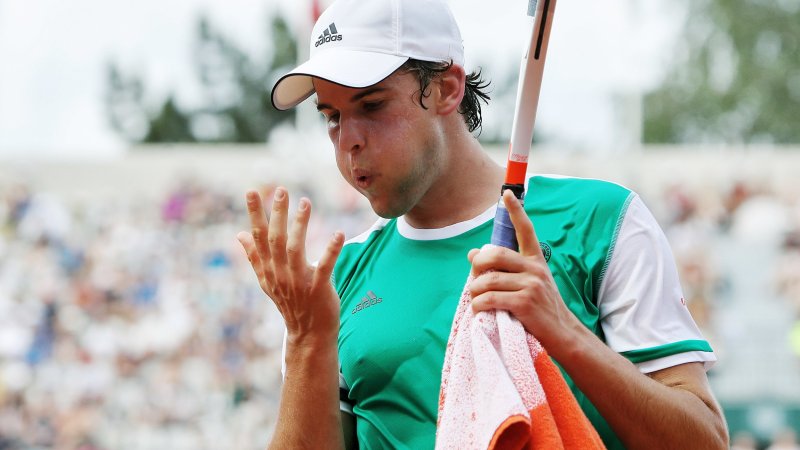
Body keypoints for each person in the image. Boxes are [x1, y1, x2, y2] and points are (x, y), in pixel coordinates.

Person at [236, 0, 729, 448]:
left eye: (372, 105)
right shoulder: (333, 281)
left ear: (447, 89)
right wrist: (306, 339)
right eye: (331, 115)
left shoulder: (600, 220)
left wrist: (566, 333)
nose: (348, 141)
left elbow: (704, 441)